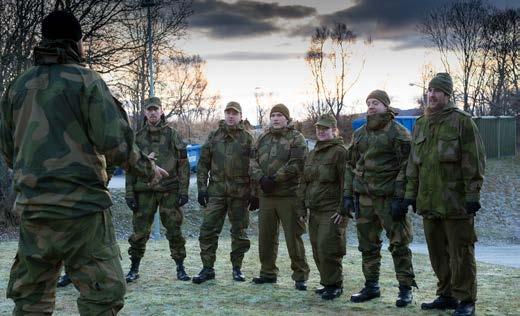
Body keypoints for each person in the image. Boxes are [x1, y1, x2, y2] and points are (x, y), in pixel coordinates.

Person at [0, 10, 166, 314]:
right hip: (82, 213)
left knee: (31, 301)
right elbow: (115, 143)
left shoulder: (17, 87)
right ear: (76, 43)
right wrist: (148, 169)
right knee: (101, 297)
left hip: (34, 212)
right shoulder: (86, 82)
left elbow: (9, 151)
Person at [404, 73, 485, 316]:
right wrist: (410, 194)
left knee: (461, 252)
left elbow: (474, 161)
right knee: (437, 253)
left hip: (456, 201)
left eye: (437, 91)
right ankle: (446, 294)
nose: (431, 95)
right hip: (429, 202)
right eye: (429, 90)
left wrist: (473, 195)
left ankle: (466, 300)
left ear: (447, 95)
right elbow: (413, 164)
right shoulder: (420, 124)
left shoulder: (462, 122)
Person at [345, 90, 417, 307]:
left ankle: (405, 289)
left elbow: (408, 166)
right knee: (367, 245)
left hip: (389, 199)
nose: (371, 106)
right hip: (364, 199)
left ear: (386, 106)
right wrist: (348, 194)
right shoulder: (360, 134)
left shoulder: (399, 132)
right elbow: (350, 165)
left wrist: (401, 197)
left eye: (376, 102)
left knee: (399, 245)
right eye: (368, 102)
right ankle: (371, 286)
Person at [125, 97, 191, 283]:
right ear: (145, 112)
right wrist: (129, 193)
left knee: (174, 230)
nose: (153, 113)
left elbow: (183, 165)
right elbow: (130, 167)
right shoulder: (137, 137)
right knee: (139, 232)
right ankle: (134, 269)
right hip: (143, 191)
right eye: (149, 110)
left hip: (169, 190)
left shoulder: (173, 135)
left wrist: (184, 191)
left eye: (156, 109)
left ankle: (180, 268)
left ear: (162, 111)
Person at [192, 101, 257, 284]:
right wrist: (202, 189)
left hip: (240, 193)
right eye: (228, 112)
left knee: (239, 232)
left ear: (240, 116)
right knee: (208, 230)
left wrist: (255, 192)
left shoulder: (248, 138)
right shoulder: (214, 136)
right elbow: (203, 164)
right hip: (217, 192)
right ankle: (207, 269)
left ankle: (237, 268)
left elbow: (255, 166)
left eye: (234, 113)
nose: (230, 116)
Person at [250, 104, 310, 290]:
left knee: (294, 238)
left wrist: (274, 179)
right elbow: (251, 161)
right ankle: (267, 273)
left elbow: (296, 164)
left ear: (287, 118)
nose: (275, 118)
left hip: (288, 196)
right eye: (273, 115)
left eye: (279, 115)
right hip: (267, 196)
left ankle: (300, 276)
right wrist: (260, 178)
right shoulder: (262, 138)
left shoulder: (296, 138)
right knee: (266, 238)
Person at [299, 113, 348, 300]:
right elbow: (305, 182)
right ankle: (327, 282)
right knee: (317, 248)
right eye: (319, 128)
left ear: (334, 130)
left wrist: (343, 210)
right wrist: (302, 207)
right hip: (315, 210)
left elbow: (346, 183)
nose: (321, 131)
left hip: (331, 211)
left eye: (325, 129)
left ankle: (335, 285)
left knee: (329, 248)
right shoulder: (313, 153)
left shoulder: (340, 152)